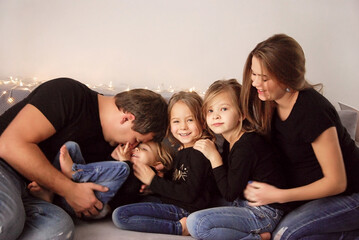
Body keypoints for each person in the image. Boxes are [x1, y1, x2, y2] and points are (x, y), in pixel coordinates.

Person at [0, 77, 168, 240]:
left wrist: (153, 181)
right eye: (137, 139)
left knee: (56, 231)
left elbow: (114, 194)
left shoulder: (113, 148)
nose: (132, 146)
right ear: (127, 118)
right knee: (8, 220)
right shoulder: (68, 93)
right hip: (5, 166)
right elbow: (10, 144)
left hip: (36, 193)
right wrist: (69, 189)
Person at [240, 34, 359, 239]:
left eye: (265, 77)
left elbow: (337, 182)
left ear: (286, 76)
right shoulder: (270, 103)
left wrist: (279, 195)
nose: (256, 83)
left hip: (351, 194)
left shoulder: (313, 111)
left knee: (285, 234)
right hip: (318, 198)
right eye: (254, 74)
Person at [184, 79, 288, 240]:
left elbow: (229, 193)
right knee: (199, 202)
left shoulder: (247, 145)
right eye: (210, 111)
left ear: (242, 114)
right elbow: (225, 184)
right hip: (242, 202)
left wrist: (214, 157)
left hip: (264, 212)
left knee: (196, 223)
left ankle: (258, 238)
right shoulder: (229, 141)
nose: (215, 116)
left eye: (224, 109)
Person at [112, 91, 217, 236]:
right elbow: (179, 182)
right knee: (137, 200)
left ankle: (179, 228)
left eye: (190, 120)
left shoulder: (199, 152)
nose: (183, 127)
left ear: (203, 122)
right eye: (176, 121)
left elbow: (189, 194)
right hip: (175, 203)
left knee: (121, 215)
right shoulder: (183, 151)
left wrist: (153, 181)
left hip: (187, 209)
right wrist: (156, 184)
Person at [29, 140, 173, 219]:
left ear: (157, 165)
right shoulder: (128, 166)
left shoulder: (146, 177)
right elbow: (102, 173)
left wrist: (125, 163)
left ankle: (74, 172)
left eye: (144, 149)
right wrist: (116, 159)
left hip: (96, 205)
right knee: (71, 146)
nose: (136, 150)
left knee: (123, 169)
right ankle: (51, 191)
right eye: (138, 147)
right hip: (77, 189)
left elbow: (127, 193)